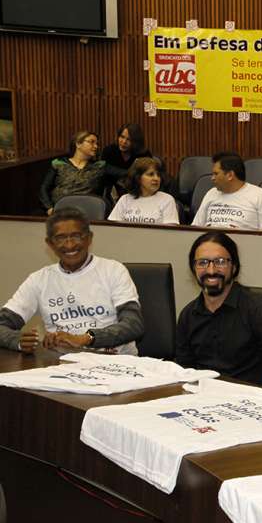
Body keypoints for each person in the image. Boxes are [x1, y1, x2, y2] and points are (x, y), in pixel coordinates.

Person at [0, 208, 144, 355]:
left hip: (116, 362)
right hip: (63, 366)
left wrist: (85, 338)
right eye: (60, 238)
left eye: (76, 236)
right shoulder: (38, 280)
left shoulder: (113, 270)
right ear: (50, 244)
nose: (69, 245)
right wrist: (16, 340)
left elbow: (133, 325)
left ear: (89, 238)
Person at [176, 231, 262, 389]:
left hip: (248, 402)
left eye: (220, 262)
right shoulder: (188, 315)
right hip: (204, 402)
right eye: (203, 262)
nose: (211, 270)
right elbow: (184, 371)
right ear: (194, 268)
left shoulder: (254, 308)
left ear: (234, 267)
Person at [192, 151, 262, 231]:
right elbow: (196, 227)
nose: (212, 178)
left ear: (230, 175)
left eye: (216, 174)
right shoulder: (211, 193)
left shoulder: (259, 195)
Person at [39, 130, 108, 215]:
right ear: (78, 144)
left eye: (97, 143)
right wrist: (49, 208)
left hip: (88, 213)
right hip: (60, 213)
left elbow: (123, 175)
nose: (96, 146)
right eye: (92, 142)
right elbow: (44, 188)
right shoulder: (59, 164)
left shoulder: (99, 166)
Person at [108, 157, 179, 225]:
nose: (156, 178)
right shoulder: (125, 199)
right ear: (138, 178)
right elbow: (112, 229)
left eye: (158, 175)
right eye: (151, 174)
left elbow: (170, 233)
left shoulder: (167, 200)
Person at [101, 123, 152, 195]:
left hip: (137, 190)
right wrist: (127, 173)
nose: (124, 142)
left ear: (136, 142)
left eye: (129, 139)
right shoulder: (109, 150)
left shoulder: (143, 154)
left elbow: (148, 173)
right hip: (112, 191)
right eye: (122, 137)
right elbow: (103, 168)